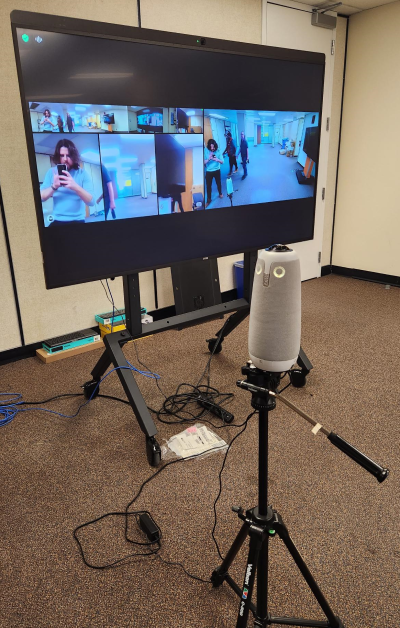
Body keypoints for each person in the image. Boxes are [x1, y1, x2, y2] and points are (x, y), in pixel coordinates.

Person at [40, 139, 94, 224]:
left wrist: (75, 187)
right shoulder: (51, 172)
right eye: (62, 155)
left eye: (68, 155)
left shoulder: (83, 173)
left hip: (77, 220)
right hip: (57, 219)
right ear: (58, 156)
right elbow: (41, 197)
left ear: (74, 156)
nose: (65, 159)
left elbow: (91, 202)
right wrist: (54, 186)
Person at [204, 139, 224, 208]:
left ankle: (220, 193)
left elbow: (222, 161)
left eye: (213, 147)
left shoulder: (218, 150)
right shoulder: (206, 151)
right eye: (211, 147)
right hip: (209, 171)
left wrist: (217, 159)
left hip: (217, 170)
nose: (212, 148)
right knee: (208, 186)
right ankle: (209, 199)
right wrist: (209, 159)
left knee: (218, 183)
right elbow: (203, 162)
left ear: (215, 145)